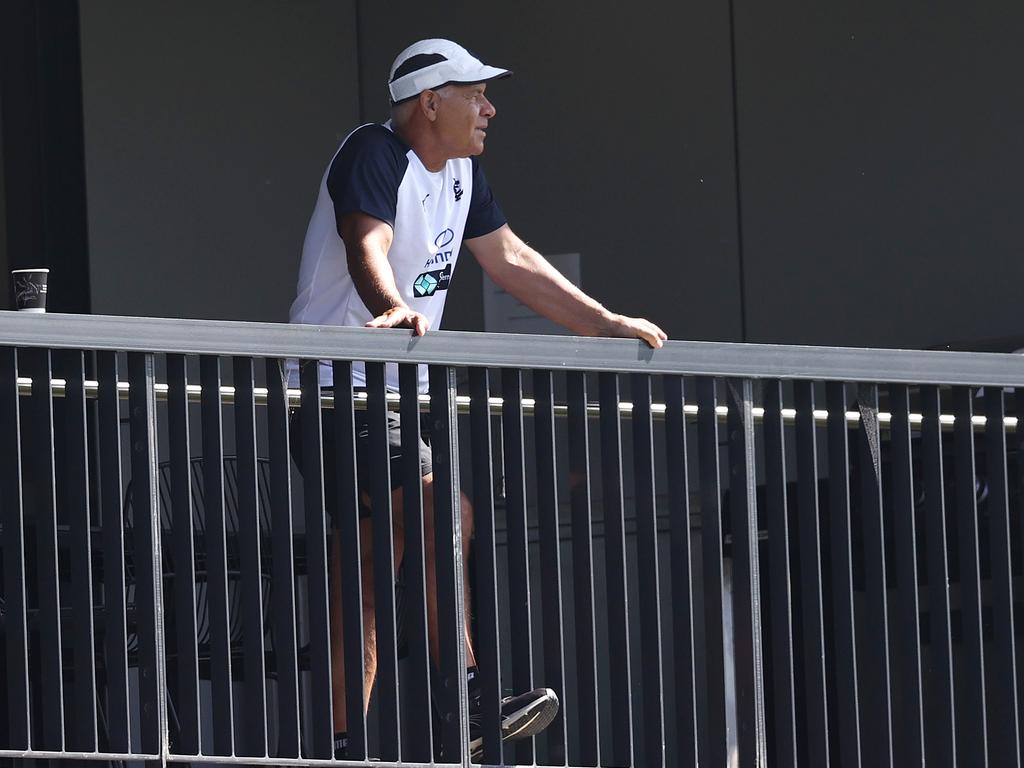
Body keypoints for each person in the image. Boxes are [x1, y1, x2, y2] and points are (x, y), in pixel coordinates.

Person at [287, 38, 667, 760]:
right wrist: (393, 308)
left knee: (370, 570)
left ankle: (342, 744)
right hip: (343, 394)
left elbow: (513, 261)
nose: (490, 108)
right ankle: (466, 703)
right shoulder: (373, 151)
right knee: (445, 513)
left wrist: (606, 324)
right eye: (475, 94)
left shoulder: (462, 174)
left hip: (398, 396)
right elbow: (367, 242)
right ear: (431, 103)